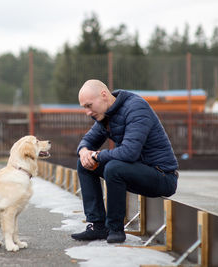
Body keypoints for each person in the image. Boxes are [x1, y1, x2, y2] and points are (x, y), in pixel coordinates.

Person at [71, 79, 178, 243]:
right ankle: (98, 226)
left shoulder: (136, 108)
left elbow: (129, 153)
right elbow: (88, 141)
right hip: (137, 171)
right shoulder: (106, 115)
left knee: (113, 168)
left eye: (89, 105)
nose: (87, 112)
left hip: (162, 175)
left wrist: (98, 155)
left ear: (104, 95)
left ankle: (115, 229)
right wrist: (84, 151)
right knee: (85, 165)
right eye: (84, 107)